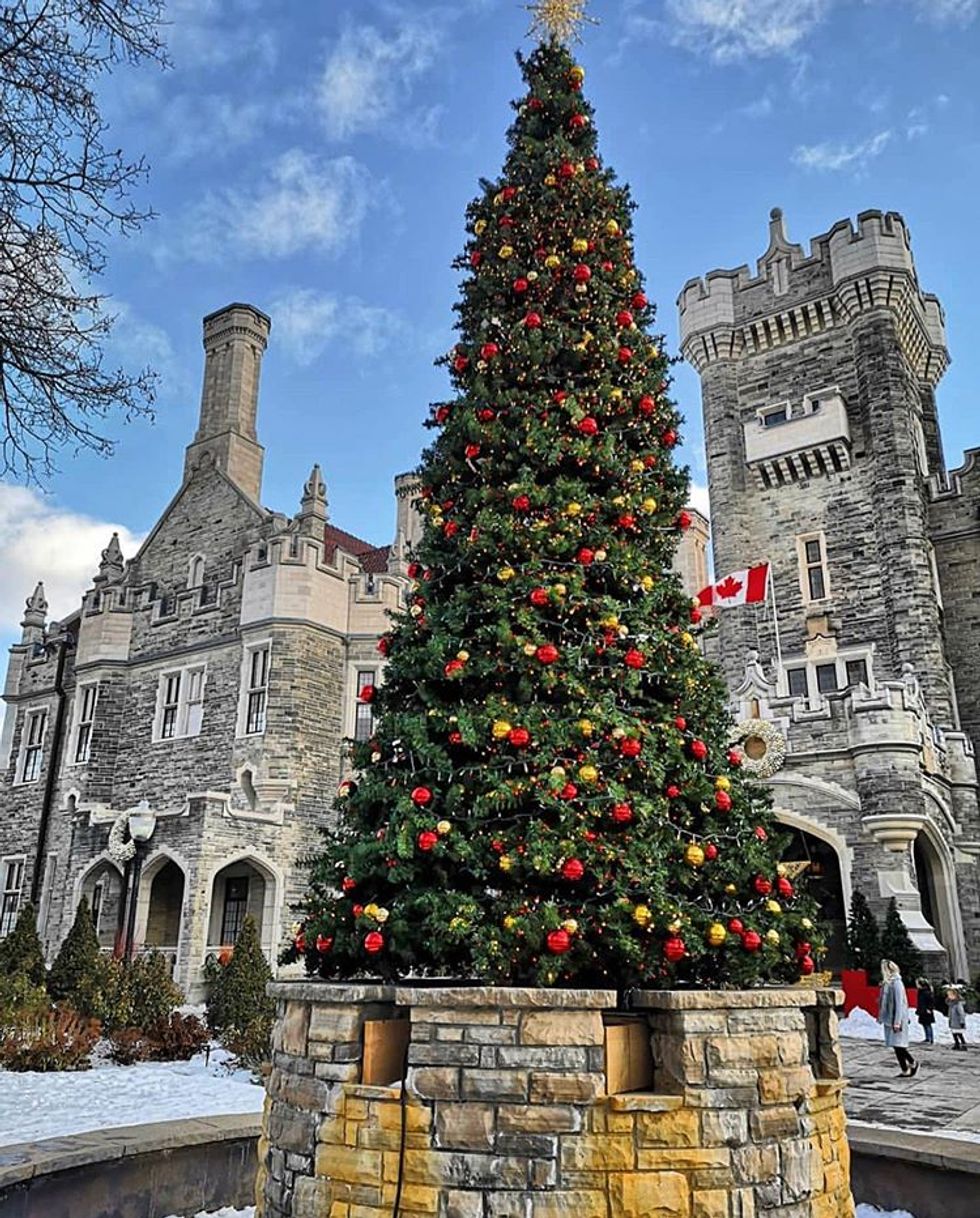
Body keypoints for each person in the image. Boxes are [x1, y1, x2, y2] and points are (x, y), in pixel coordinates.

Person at [879, 959, 918, 1076]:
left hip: (897, 1019)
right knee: (896, 1045)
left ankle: (911, 1063)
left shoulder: (896, 983)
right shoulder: (890, 983)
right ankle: (907, 1067)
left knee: (898, 1045)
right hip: (892, 1018)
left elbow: (899, 1003)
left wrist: (897, 1022)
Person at [915, 978, 936, 1045]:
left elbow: (931, 1001)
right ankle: (927, 1038)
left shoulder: (926, 992)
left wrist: (929, 1009)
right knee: (925, 1024)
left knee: (927, 1025)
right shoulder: (921, 991)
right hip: (923, 1010)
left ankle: (930, 1038)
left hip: (926, 1011)